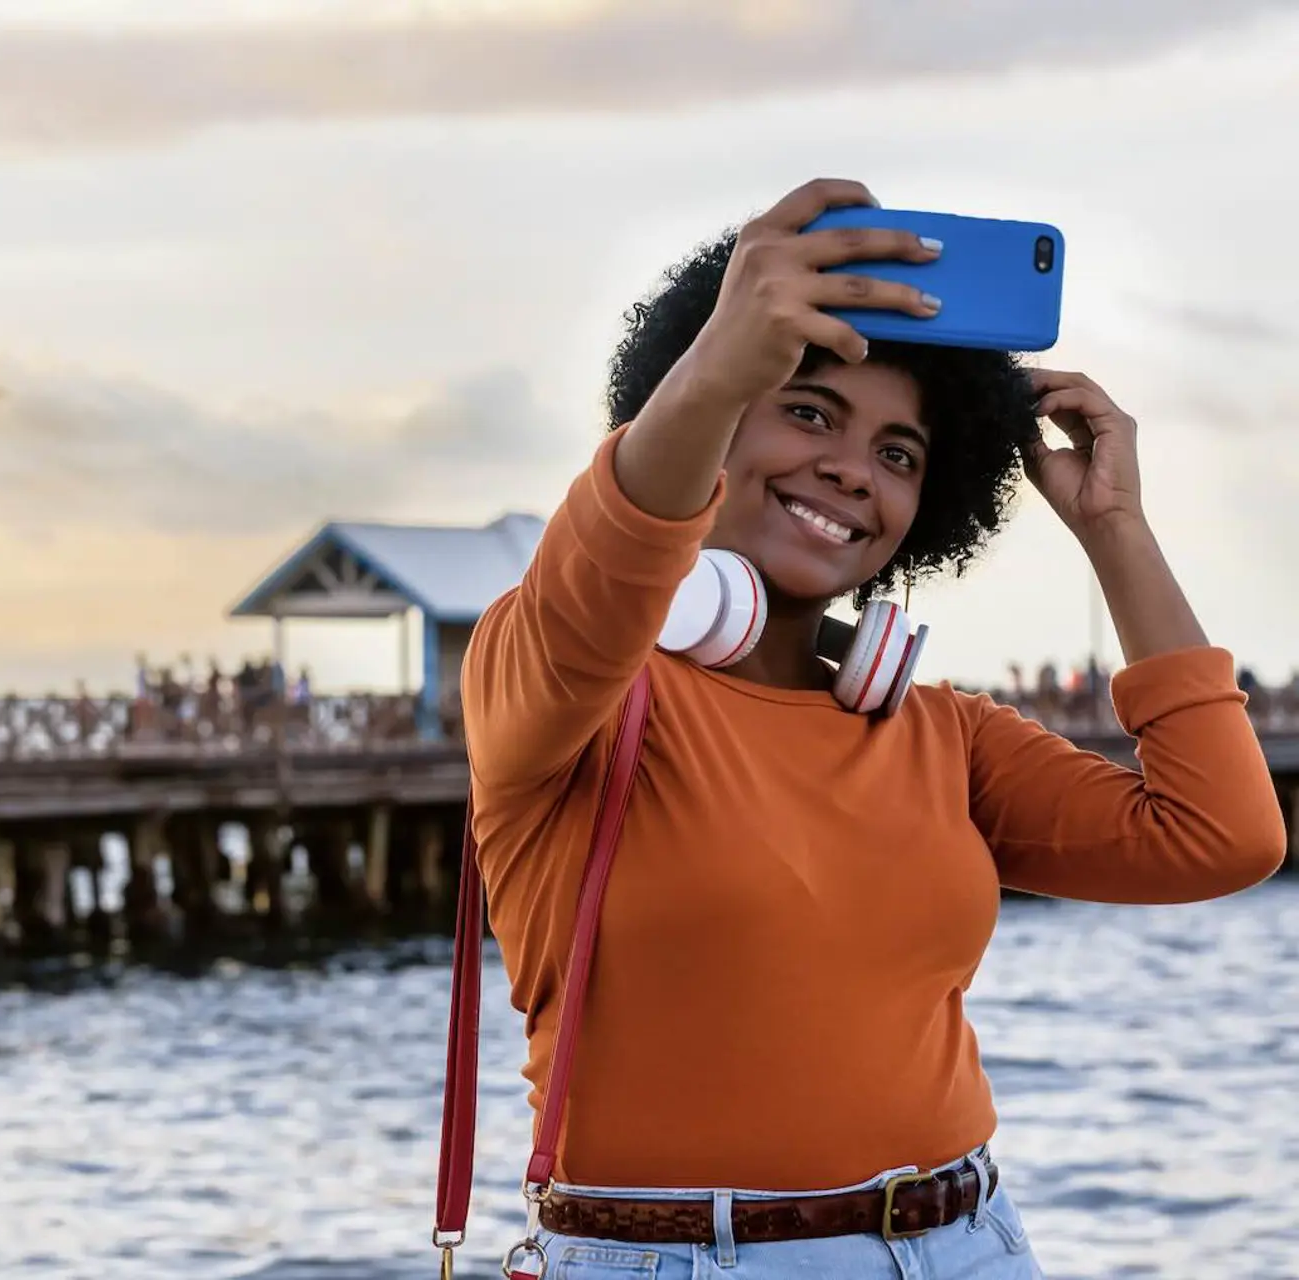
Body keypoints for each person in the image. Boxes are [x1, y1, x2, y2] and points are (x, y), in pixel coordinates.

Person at [460, 179, 1285, 1278]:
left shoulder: (943, 732)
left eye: (900, 452)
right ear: (708, 407)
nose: (855, 467)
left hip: (971, 1241)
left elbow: (1221, 834)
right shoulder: (565, 692)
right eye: (808, 410)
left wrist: (1114, 529)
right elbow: (614, 548)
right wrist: (719, 359)